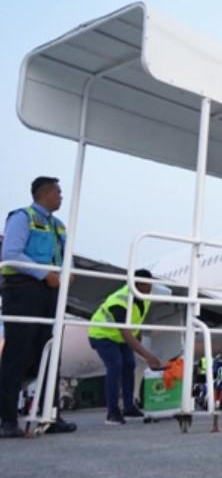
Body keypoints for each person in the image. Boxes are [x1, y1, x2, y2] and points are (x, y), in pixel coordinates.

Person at [0, 176, 77, 438]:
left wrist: (69, 271)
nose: (61, 197)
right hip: (23, 290)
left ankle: (51, 414)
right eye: (58, 192)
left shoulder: (58, 226)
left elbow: (64, 255)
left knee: (50, 351)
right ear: (44, 193)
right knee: (17, 353)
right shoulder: (22, 217)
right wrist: (45, 274)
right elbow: (11, 253)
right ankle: (8, 419)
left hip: (50, 292)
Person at [87, 268, 163, 424]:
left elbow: (136, 318)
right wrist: (148, 356)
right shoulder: (119, 301)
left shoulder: (144, 296)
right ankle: (112, 412)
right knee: (115, 365)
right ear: (135, 284)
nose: (149, 289)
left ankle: (129, 408)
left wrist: (139, 332)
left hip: (118, 336)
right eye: (145, 285)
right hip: (102, 334)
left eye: (150, 285)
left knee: (130, 365)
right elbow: (126, 333)